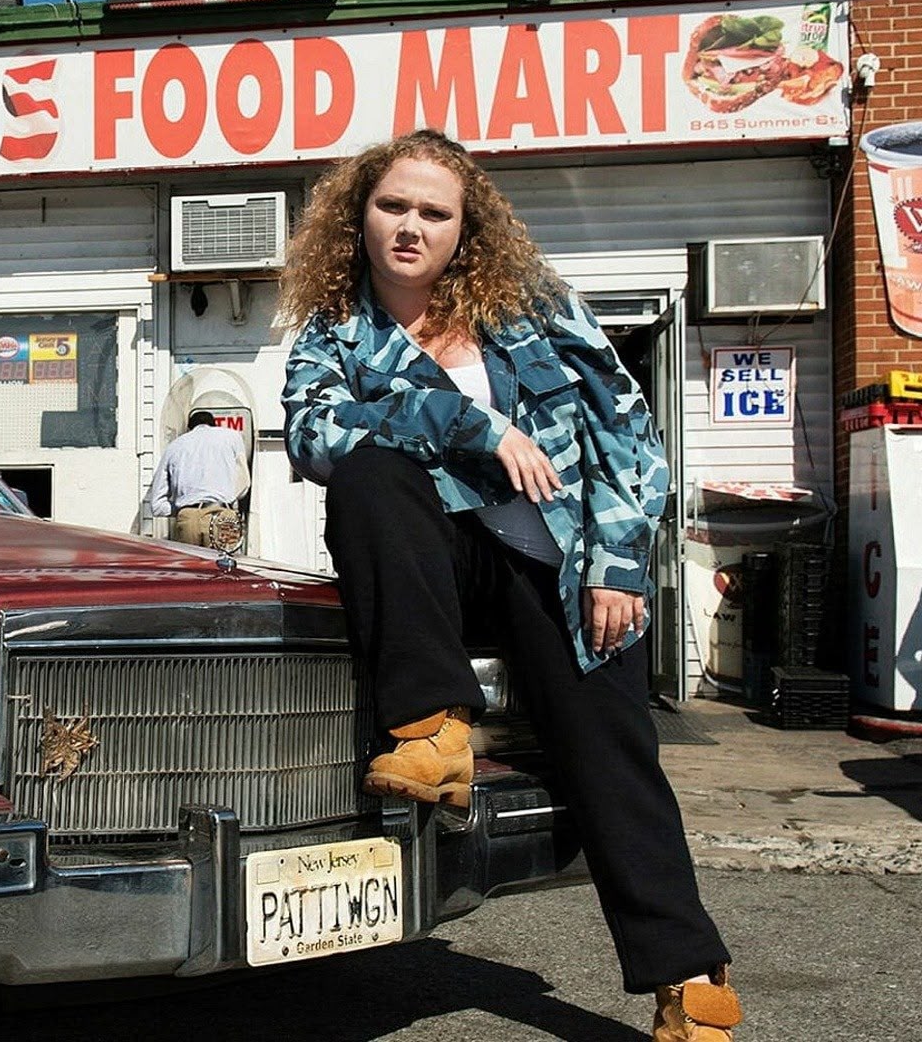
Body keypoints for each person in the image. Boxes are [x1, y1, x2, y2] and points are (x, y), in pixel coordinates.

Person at [279, 129, 741, 1042]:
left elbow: (625, 429)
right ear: (358, 215)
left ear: (466, 228)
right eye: (392, 205)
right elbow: (312, 436)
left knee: (613, 754)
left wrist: (618, 566)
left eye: (433, 212)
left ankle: (686, 977)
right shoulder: (335, 331)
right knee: (368, 475)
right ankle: (433, 730)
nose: (410, 227)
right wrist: (471, 424)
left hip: (561, 562)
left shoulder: (530, 306)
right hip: (437, 566)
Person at [147, 409, 250, 548]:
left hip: (188, 518)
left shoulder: (174, 446)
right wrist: (227, 499)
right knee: (223, 562)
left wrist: (183, 506)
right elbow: (244, 482)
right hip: (222, 515)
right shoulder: (232, 437)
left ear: (189, 428)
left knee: (191, 562)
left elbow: (157, 506)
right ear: (214, 425)